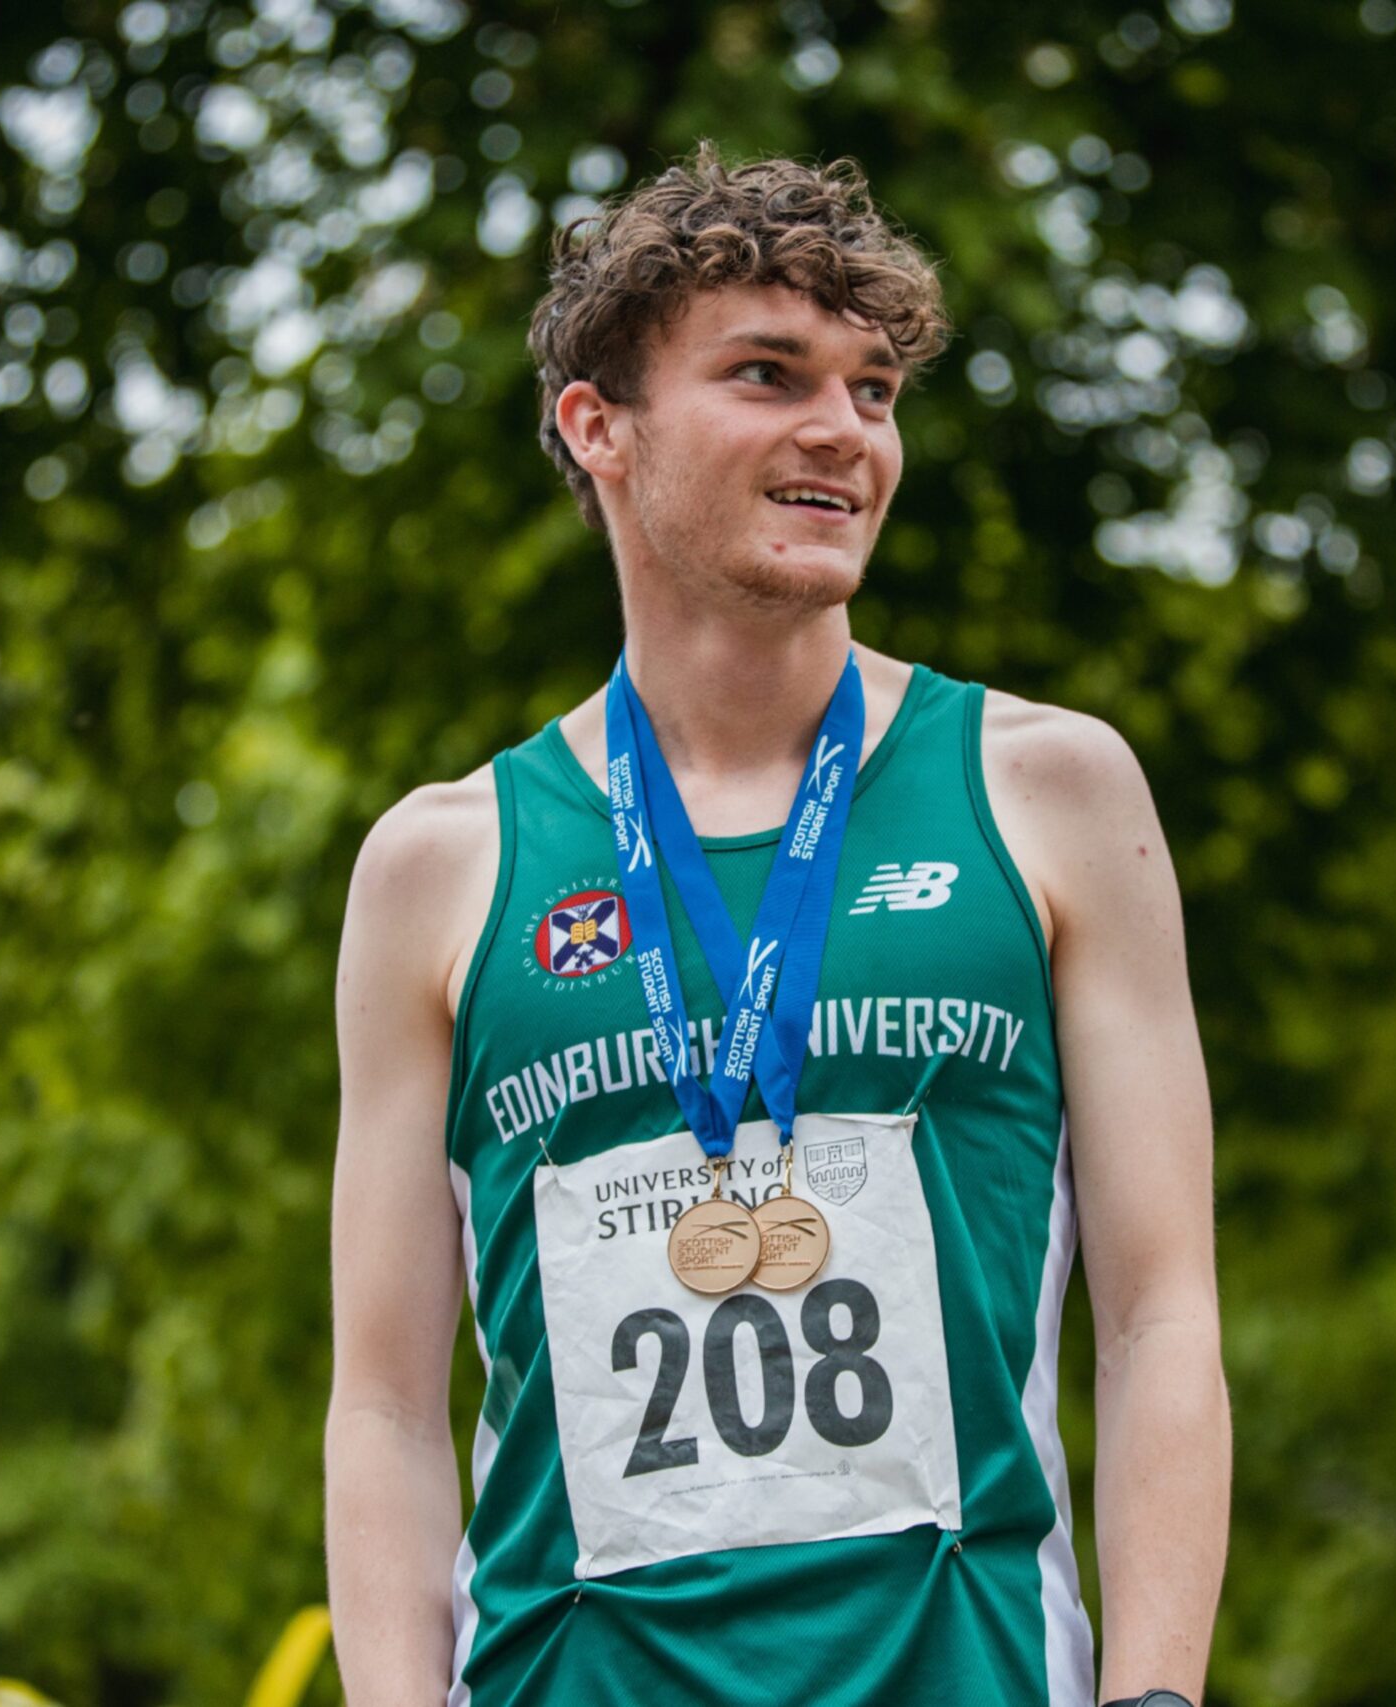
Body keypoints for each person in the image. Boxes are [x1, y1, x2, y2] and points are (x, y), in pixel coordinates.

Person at [325, 142, 1230, 1707]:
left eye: (874, 391)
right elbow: (386, 1413)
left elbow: (1160, 1318)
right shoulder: (441, 865)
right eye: (770, 375)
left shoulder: (1050, 792)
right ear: (598, 429)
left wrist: (1152, 1698)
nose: (844, 434)